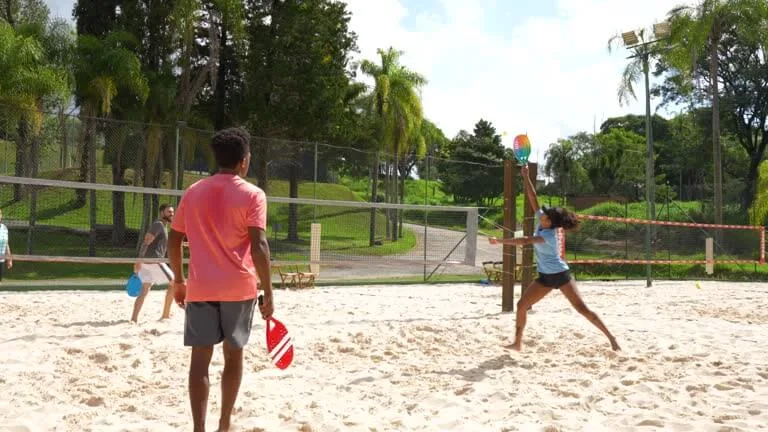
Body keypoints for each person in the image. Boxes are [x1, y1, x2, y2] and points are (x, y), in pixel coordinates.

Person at [167, 127, 274, 432]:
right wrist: (268, 292)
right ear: (244, 161)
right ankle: (224, 425)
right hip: (239, 288)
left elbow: (173, 241)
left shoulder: (193, 191)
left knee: (200, 360)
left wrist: (179, 280)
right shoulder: (253, 195)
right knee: (233, 356)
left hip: (201, 288)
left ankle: (198, 429)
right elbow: (259, 246)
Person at [488, 165, 620, 352]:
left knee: (582, 309)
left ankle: (612, 338)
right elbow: (533, 198)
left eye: (545, 215)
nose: (541, 214)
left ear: (550, 222)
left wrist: (499, 240)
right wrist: (526, 177)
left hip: (561, 275)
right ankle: (517, 343)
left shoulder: (549, 235)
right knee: (521, 305)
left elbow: (525, 240)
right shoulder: (543, 221)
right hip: (545, 278)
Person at [131, 204, 175, 323]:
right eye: (168, 212)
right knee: (175, 283)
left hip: (147, 262)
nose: (171, 214)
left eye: (172, 212)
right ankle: (165, 315)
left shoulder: (163, 227)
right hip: (154, 261)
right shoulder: (158, 225)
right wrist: (138, 260)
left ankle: (134, 319)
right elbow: (146, 241)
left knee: (144, 290)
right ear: (161, 213)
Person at [0, 210, 12, 282]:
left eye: (0, 213)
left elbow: (6, 244)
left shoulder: (4, 228)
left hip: (1, 260)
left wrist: (9, 258)